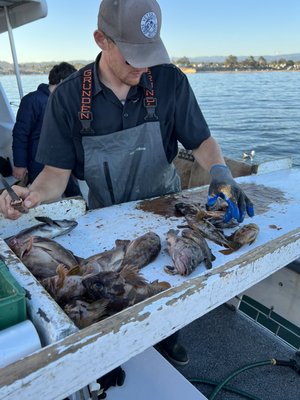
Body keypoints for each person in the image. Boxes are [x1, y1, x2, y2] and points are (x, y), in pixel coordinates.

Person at [0, 0, 254, 366]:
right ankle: (120, 356)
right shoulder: (70, 97)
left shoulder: (170, 81)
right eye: (134, 55)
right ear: (101, 39)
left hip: (167, 208)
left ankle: (169, 338)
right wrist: (32, 195)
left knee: (172, 286)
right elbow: (56, 175)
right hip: (109, 219)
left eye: (150, 54)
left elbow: (200, 142)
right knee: (114, 292)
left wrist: (219, 172)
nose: (144, 66)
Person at [12, 62, 82, 197]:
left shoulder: (65, 102)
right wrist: (20, 164)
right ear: (63, 82)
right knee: (42, 198)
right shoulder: (32, 100)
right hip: (38, 162)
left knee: (74, 195)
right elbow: (20, 134)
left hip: (62, 161)